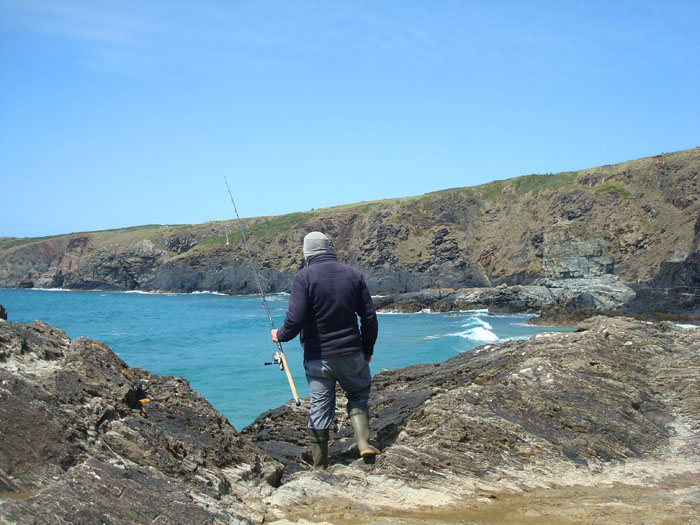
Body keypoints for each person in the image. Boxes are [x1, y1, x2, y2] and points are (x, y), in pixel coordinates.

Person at [271, 231, 379, 470]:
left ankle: (320, 467)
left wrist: (280, 335)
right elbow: (369, 317)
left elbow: (295, 318)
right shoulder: (354, 275)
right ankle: (363, 444)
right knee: (358, 394)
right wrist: (367, 348)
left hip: (318, 359)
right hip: (352, 353)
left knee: (319, 406)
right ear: (329, 249)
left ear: (307, 253)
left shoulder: (303, 277)